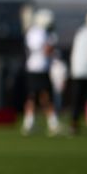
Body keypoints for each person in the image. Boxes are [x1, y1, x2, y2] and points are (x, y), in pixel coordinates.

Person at [22, 8, 61, 136]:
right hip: (40, 69)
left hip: (33, 68)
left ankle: (29, 123)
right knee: (45, 97)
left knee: (33, 97)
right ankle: (52, 123)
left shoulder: (33, 32)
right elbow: (46, 50)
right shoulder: (40, 33)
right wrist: (52, 44)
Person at [70, 10, 87, 134]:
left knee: (78, 99)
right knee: (85, 98)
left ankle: (77, 123)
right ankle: (80, 122)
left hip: (79, 71)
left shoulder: (80, 33)